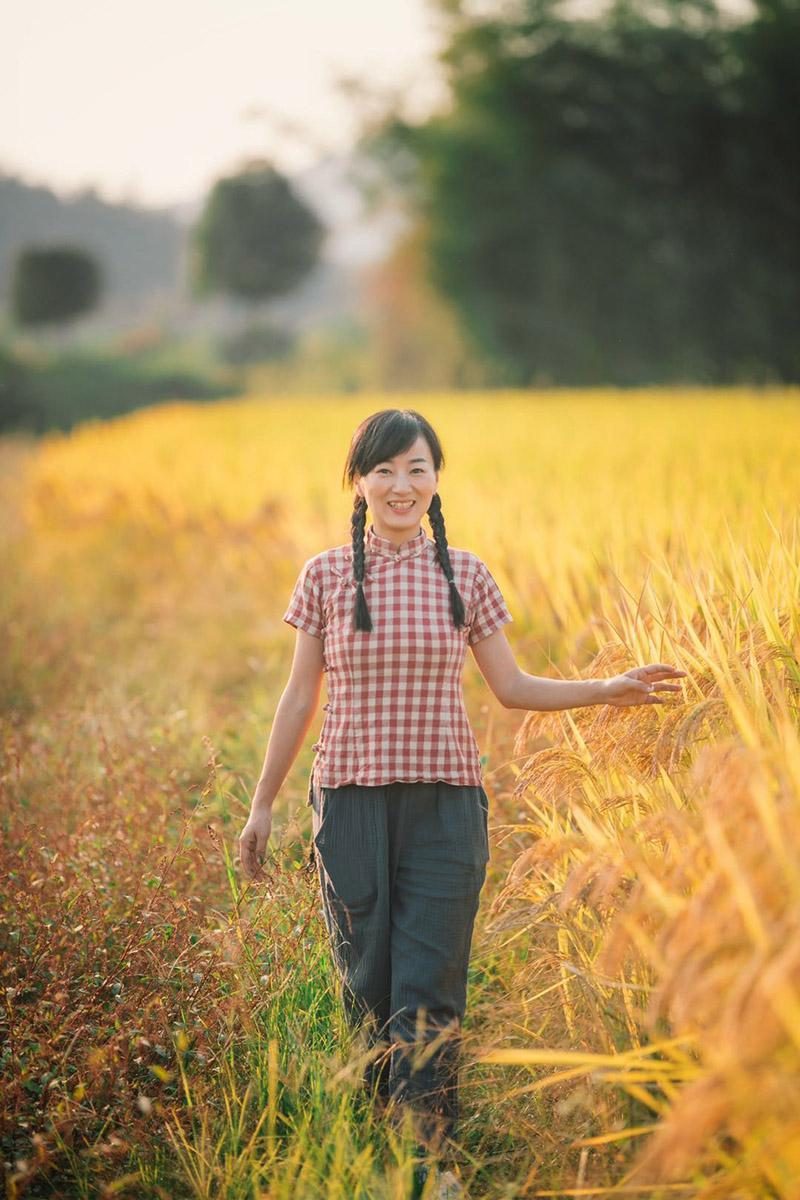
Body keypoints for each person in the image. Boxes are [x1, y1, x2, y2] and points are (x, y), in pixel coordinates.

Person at [238, 408, 686, 1199]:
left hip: (447, 807)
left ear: (437, 478)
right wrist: (263, 804)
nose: (401, 485)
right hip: (348, 805)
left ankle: (431, 1161)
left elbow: (512, 688)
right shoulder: (324, 575)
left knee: (432, 983)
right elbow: (299, 695)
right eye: (385, 470)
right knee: (367, 980)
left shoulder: (466, 575)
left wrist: (605, 690)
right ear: (359, 481)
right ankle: (381, 1149)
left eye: (417, 468)